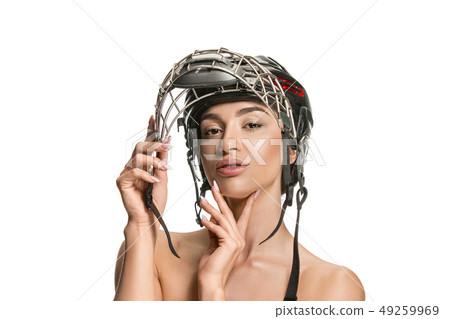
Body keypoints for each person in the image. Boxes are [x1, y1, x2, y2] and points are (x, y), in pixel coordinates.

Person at [113, 49, 365, 301]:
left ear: (291, 149)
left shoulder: (331, 286)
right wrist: (142, 224)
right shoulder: (151, 253)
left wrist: (212, 287)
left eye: (252, 125)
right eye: (212, 130)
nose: (227, 143)